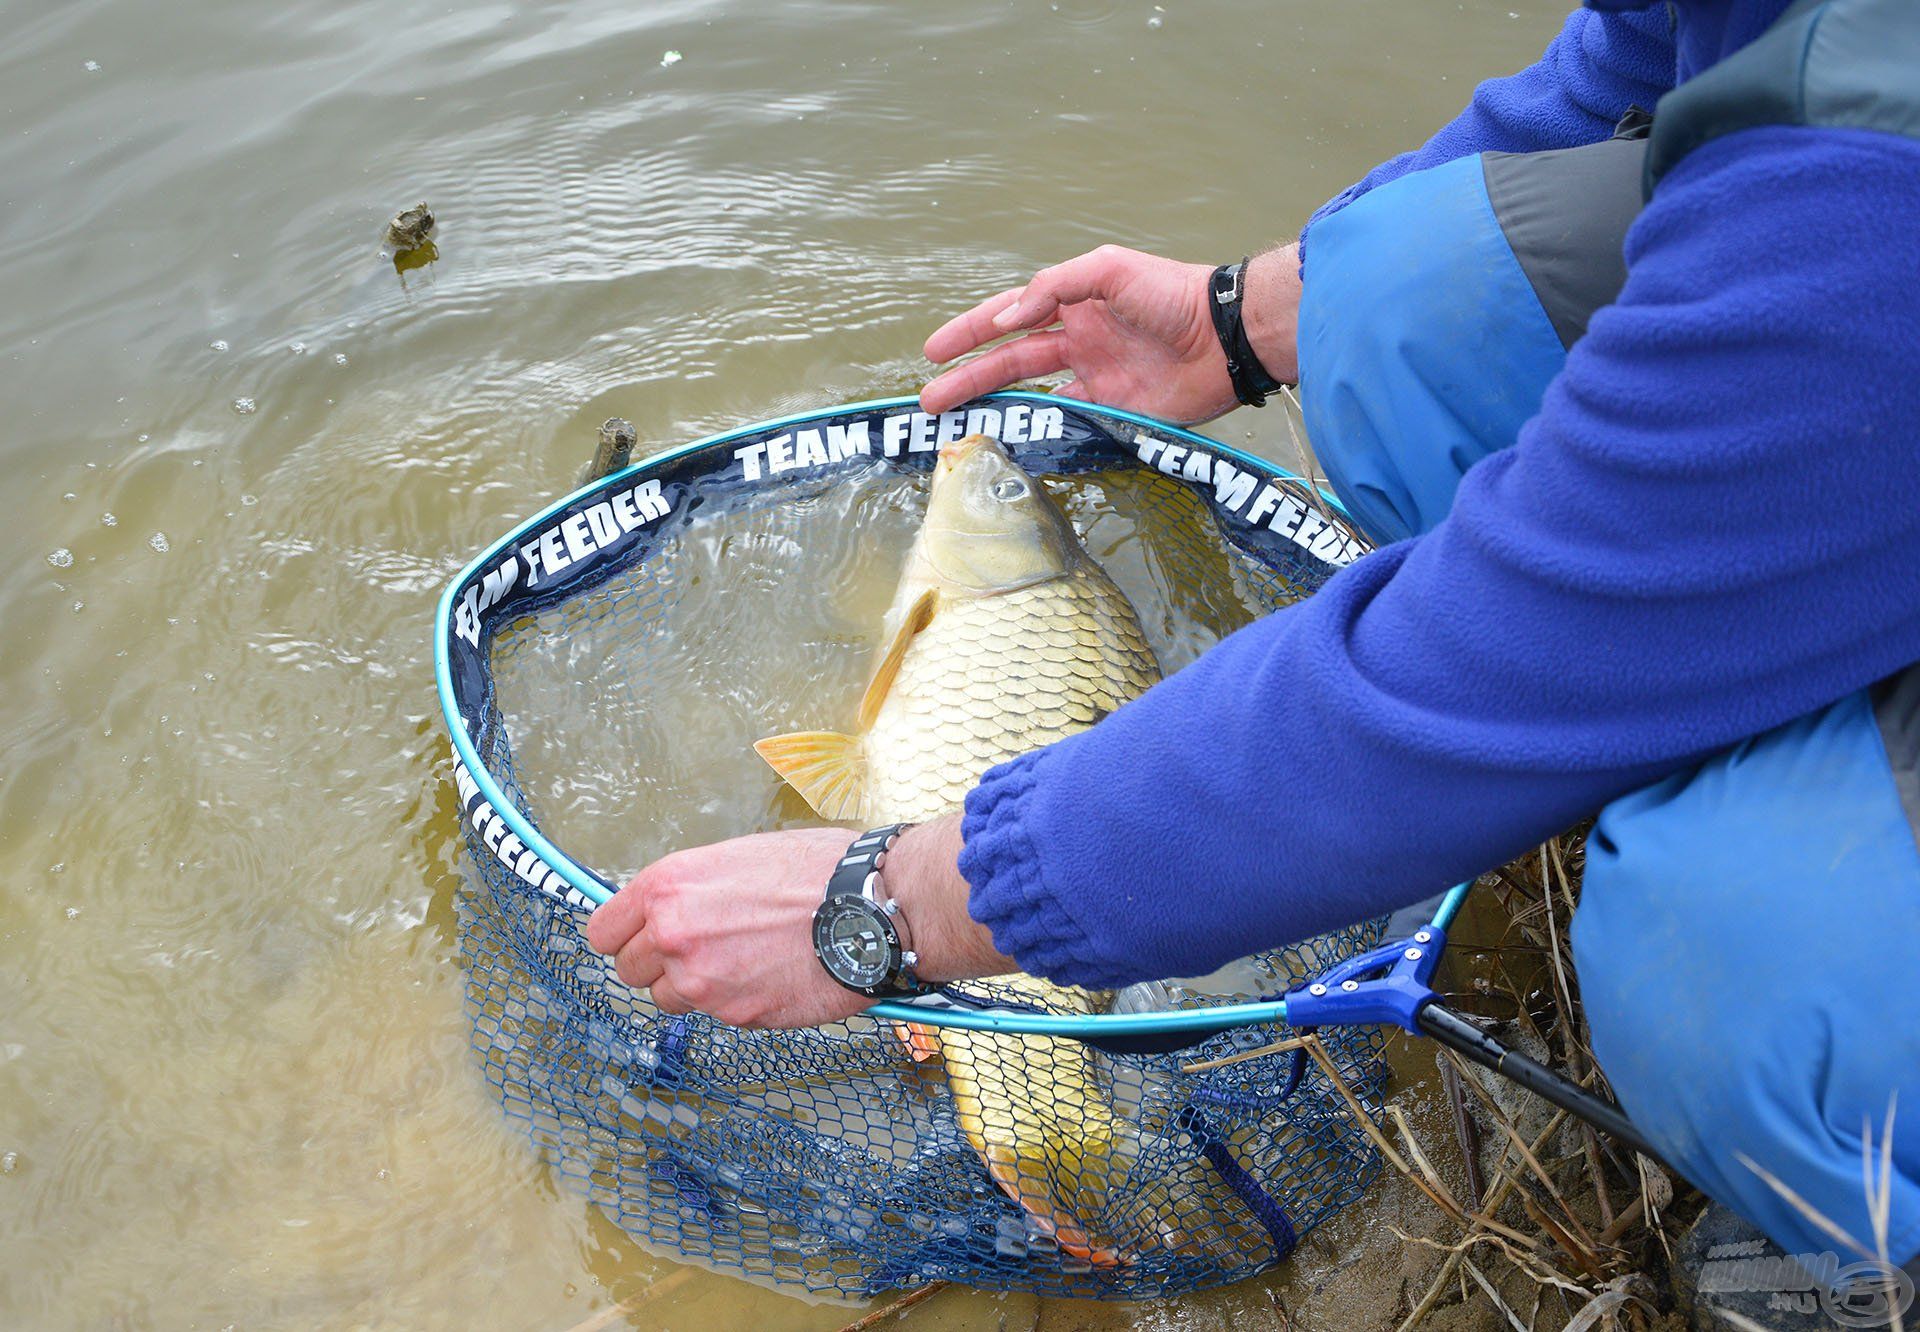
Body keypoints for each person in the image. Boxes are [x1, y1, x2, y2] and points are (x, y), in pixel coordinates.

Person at [587, 0, 1920, 1276]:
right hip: (1847, 315)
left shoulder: (1875, 208)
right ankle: (1759, 668)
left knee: (1737, 965)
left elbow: (1470, 672)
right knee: (1404, 303)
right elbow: (1624, 72)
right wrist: (1244, 318)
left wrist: (892, 904)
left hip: (1871, 300)